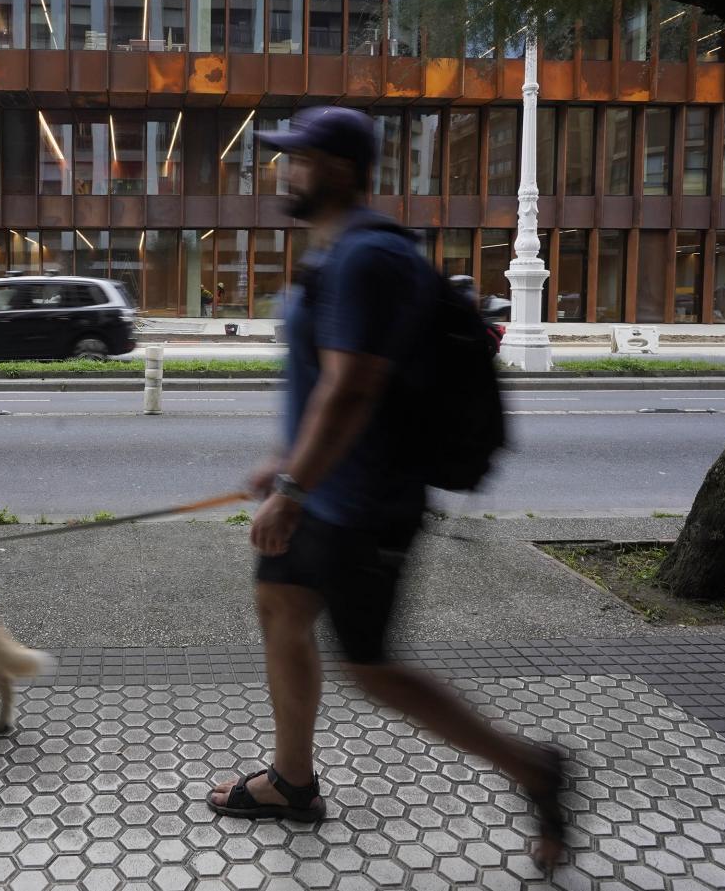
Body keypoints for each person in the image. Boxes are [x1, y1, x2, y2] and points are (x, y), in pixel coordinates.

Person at [205, 105, 568, 874]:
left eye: (299, 159)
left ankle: (534, 768)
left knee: (371, 668)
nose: (285, 171)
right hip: (320, 493)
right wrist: (286, 463)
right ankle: (292, 782)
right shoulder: (338, 250)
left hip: (364, 505)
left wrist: (292, 487)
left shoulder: (369, 257)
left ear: (338, 169)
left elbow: (351, 387)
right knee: (280, 607)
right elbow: (321, 382)